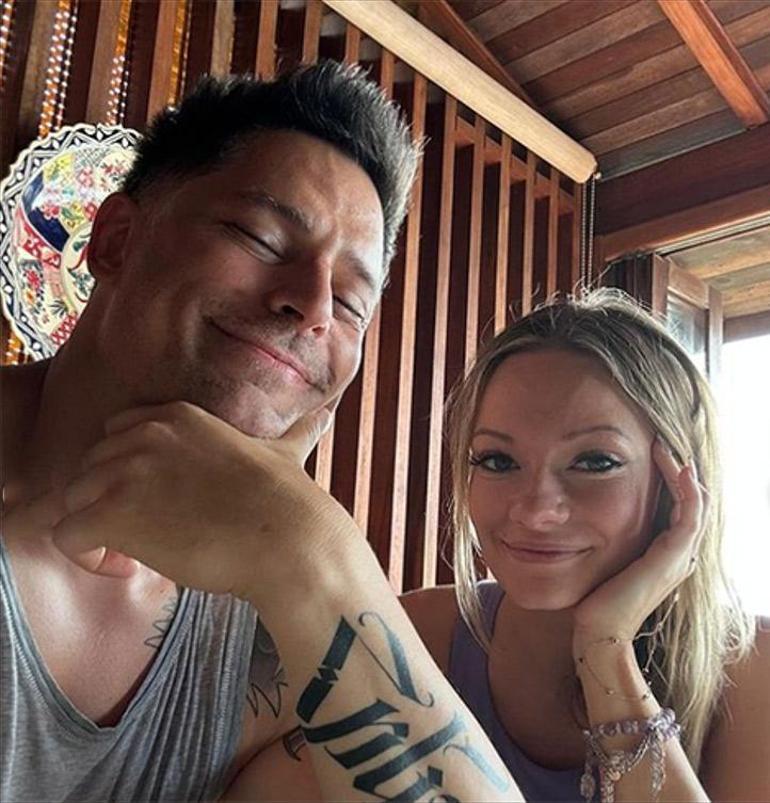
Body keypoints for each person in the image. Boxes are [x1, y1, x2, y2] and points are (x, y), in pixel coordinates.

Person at [0, 61, 523, 802]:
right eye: (261, 238)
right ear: (114, 241)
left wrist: (312, 553)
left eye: (351, 302)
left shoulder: (272, 613)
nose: (313, 306)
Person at [400, 289, 769, 801]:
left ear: (677, 486)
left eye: (595, 462)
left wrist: (605, 646)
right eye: (498, 461)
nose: (535, 510)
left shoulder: (754, 672)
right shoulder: (413, 634)